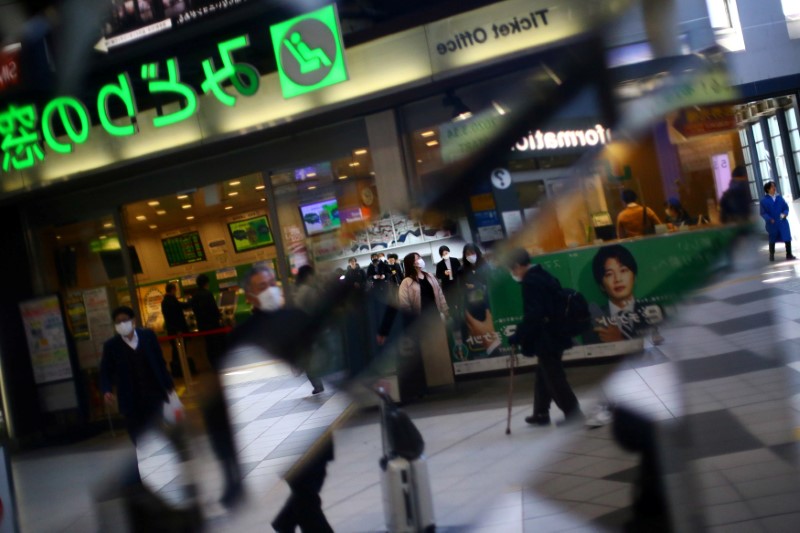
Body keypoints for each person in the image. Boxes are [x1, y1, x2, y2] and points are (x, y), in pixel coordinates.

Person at [234, 266, 334, 531]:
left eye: (271, 283)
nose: (269, 290)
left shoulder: (296, 318)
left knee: (314, 481)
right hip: (277, 427)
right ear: (249, 297)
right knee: (305, 493)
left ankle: (284, 522)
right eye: (260, 286)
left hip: (311, 418)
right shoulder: (242, 337)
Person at [505, 248, 582, 426]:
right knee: (544, 372)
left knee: (554, 376)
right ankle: (540, 413)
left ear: (517, 266)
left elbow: (535, 314)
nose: (512, 274)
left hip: (547, 336)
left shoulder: (530, 282)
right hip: (558, 331)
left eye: (511, 269)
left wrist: (518, 335)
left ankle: (573, 413)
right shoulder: (543, 274)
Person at [100, 306, 175, 463]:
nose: (122, 324)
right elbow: (105, 371)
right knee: (136, 433)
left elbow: (159, 362)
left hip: (153, 393)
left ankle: (159, 461)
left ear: (133, 321)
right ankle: (149, 459)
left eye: (125, 320)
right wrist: (107, 390)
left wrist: (168, 385)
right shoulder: (111, 346)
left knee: (155, 428)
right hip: (130, 398)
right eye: (118, 322)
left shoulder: (148, 336)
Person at [586, 245, 664, 343]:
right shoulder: (595, 320)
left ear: (634, 277)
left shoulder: (654, 311)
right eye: (609, 274)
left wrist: (620, 341)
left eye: (623, 270)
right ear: (601, 285)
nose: (618, 279)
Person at [293, 265, 325, 394]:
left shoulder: (300, 290)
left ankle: (317, 384)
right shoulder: (308, 291)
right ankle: (317, 383)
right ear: (308, 276)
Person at [460, 243, 494, 356]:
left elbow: (491, 283)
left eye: (472, 253)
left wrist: (475, 287)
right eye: (467, 253)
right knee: (475, 334)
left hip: (486, 305)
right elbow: (459, 288)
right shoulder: (462, 270)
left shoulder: (485, 266)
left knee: (489, 331)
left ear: (477, 253)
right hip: (471, 307)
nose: (470, 255)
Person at [190, 273, 225, 370]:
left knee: (209, 346)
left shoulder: (195, 296)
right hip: (213, 325)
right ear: (206, 283)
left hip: (202, 326)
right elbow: (214, 309)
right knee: (217, 345)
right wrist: (219, 317)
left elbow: (193, 309)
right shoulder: (208, 294)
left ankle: (213, 365)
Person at [160, 282, 194, 377]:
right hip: (177, 331)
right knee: (180, 351)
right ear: (172, 290)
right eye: (175, 289)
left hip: (171, 330)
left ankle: (177, 370)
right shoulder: (171, 300)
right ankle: (182, 371)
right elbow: (182, 307)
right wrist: (192, 300)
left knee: (175, 351)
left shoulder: (164, 301)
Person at [760, 181, 796, 261]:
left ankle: (789, 254)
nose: (774, 188)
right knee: (772, 238)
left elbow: (786, 208)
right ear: (768, 189)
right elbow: (763, 213)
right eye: (772, 187)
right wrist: (769, 219)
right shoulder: (764, 201)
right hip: (772, 223)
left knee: (787, 237)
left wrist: (785, 214)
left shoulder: (779, 198)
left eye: (774, 186)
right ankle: (772, 254)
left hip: (782, 221)